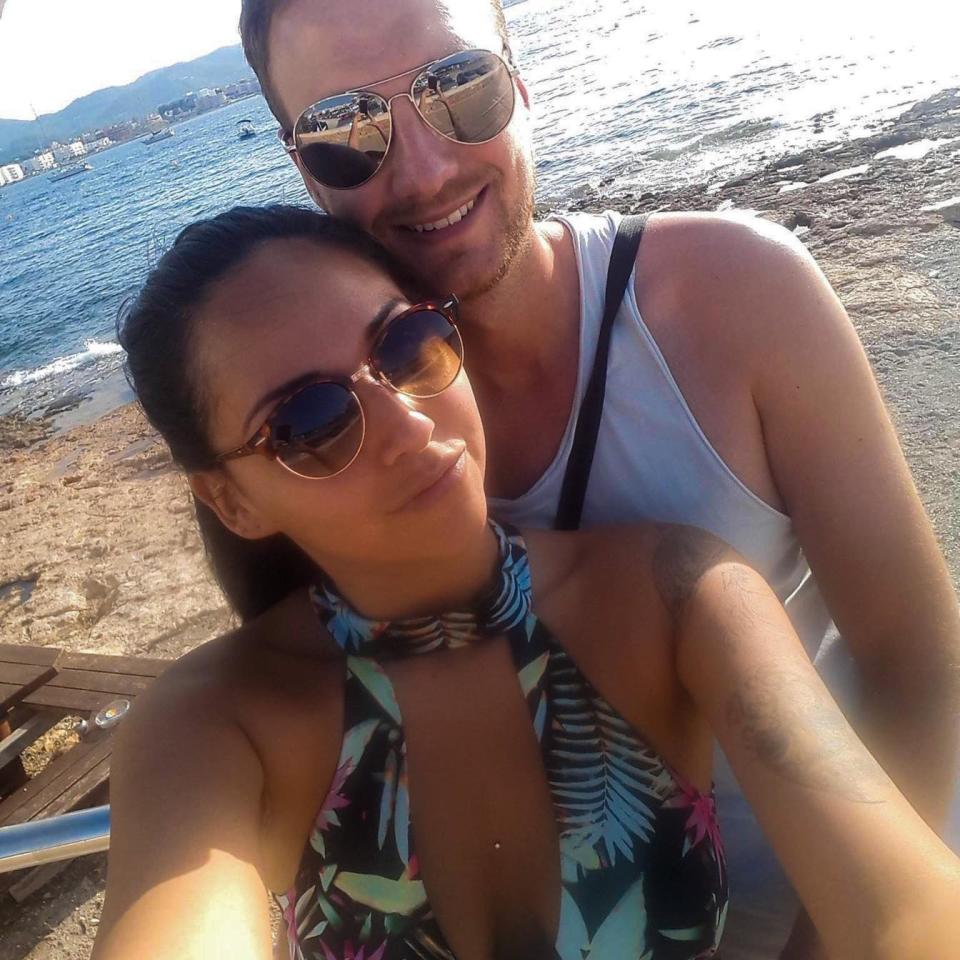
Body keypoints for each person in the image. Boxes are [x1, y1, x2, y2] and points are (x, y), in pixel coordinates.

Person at [239, 1, 960, 955]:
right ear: (303, 169)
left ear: (522, 86)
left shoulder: (736, 293)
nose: (424, 170)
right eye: (345, 131)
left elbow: (922, 662)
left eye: (459, 86)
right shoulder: (317, 449)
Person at [91, 205, 959, 960]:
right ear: (232, 499)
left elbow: (905, 902)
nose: (406, 424)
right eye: (309, 422)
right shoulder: (217, 725)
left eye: (405, 344)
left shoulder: (679, 596)